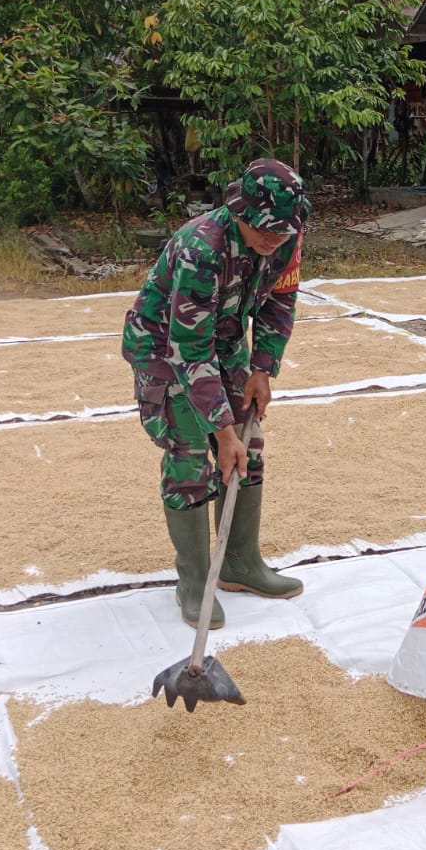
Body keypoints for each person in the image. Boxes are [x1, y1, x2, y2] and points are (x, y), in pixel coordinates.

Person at [122, 158, 310, 628]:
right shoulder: (200, 247)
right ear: (240, 212)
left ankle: (239, 564)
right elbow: (188, 346)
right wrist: (221, 430)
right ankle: (194, 580)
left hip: (222, 343)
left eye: (284, 232)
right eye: (265, 230)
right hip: (166, 349)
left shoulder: (286, 236)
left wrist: (263, 367)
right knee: (190, 457)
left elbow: (279, 301)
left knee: (251, 448)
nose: (275, 239)